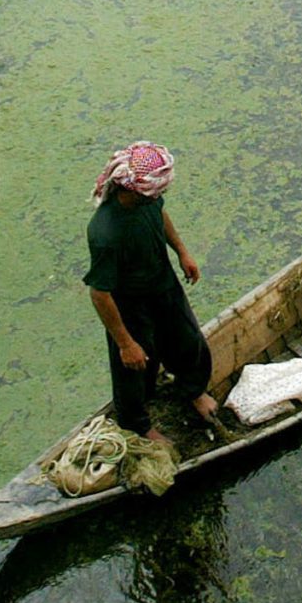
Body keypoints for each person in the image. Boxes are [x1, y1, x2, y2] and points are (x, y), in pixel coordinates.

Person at [84, 141, 219, 443]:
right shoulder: (106, 233)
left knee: (188, 340)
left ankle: (193, 391)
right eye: (154, 192)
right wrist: (125, 343)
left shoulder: (148, 200)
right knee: (135, 368)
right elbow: (99, 294)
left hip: (163, 284)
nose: (158, 197)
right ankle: (138, 424)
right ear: (131, 190)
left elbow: (161, 216)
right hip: (130, 304)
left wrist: (182, 252)